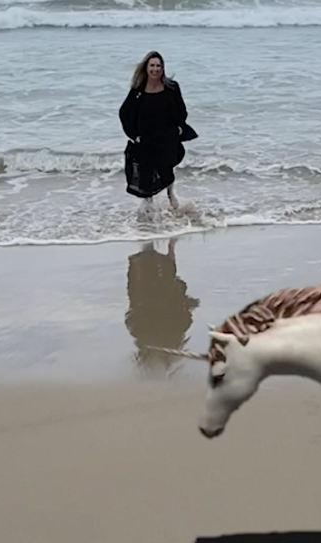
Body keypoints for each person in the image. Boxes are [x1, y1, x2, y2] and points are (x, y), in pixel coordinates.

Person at [119, 51, 198, 211]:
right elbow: (124, 113)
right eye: (152, 66)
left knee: (166, 168)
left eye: (158, 66)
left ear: (163, 68)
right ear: (146, 68)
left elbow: (181, 110)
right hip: (146, 137)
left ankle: (171, 194)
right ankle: (148, 205)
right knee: (146, 171)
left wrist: (179, 128)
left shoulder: (172, 87)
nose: (155, 69)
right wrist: (134, 135)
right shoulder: (138, 90)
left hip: (166, 134)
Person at [124, 237, 200, 376]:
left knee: (150, 256)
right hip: (157, 294)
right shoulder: (172, 338)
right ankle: (164, 237)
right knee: (160, 267)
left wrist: (187, 304)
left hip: (150, 294)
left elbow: (131, 311)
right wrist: (187, 304)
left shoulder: (140, 334)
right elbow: (184, 319)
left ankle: (157, 233)